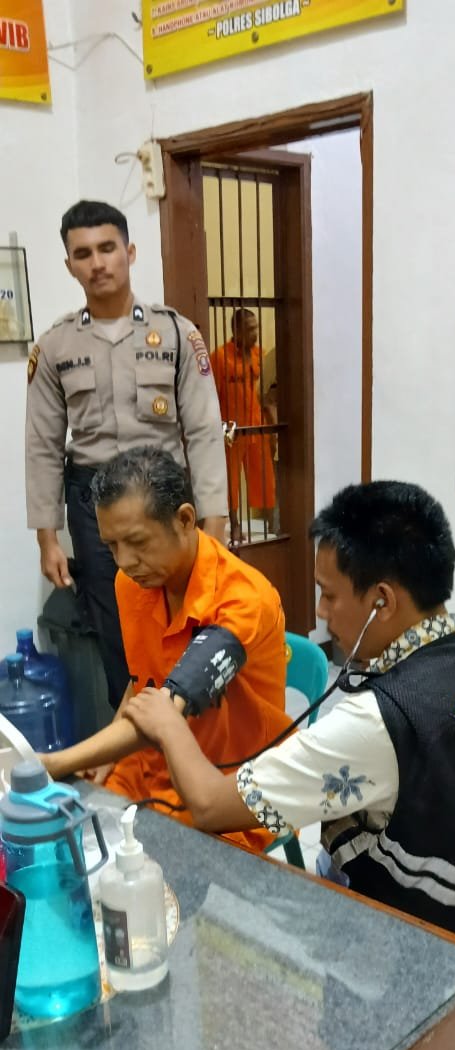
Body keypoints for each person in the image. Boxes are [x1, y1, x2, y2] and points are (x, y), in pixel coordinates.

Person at [122, 480, 455, 1027]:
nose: (321, 613)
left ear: (381, 600)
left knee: (246, 938)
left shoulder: (379, 721)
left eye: (329, 595)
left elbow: (209, 806)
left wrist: (167, 722)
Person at [26, 199, 228, 710]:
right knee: (115, 623)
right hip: (94, 505)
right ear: (69, 265)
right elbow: (43, 444)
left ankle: (188, 720)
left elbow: (204, 431)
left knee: (185, 613)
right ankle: (136, 725)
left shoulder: (177, 333)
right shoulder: (55, 346)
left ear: (130, 252)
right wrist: (47, 537)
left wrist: (215, 521)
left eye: (107, 248)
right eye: (83, 253)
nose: (98, 263)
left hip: (165, 496)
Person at [42, 447, 291, 856]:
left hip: (226, 784)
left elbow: (166, 709)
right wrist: (106, 752)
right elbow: (143, 684)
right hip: (150, 764)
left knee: (150, 874)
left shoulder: (243, 601)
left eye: (137, 542)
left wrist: (54, 762)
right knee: (70, 842)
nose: (124, 561)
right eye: (112, 546)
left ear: (186, 520)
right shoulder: (132, 584)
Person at [210, 308, 276, 542]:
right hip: (231, 430)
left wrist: (272, 428)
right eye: (249, 329)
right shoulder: (220, 358)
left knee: (265, 478)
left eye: (256, 328)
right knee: (231, 482)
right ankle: (235, 525)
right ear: (236, 330)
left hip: (257, 426)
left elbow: (267, 394)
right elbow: (211, 397)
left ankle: (273, 525)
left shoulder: (261, 356)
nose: (254, 333)